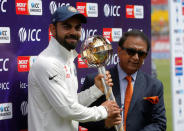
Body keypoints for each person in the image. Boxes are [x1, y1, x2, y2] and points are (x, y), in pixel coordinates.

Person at [28, 6, 121, 131]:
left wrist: (96, 90)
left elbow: (70, 102)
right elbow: (67, 109)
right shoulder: (47, 63)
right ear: (52, 29)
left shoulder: (68, 60)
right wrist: (104, 110)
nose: (73, 32)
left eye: (77, 27)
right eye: (67, 27)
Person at [80, 29, 166, 131]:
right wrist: (104, 123)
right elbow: (79, 117)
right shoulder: (97, 81)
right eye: (131, 51)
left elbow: (159, 123)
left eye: (141, 54)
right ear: (119, 51)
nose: (136, 57)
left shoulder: (154, 86)